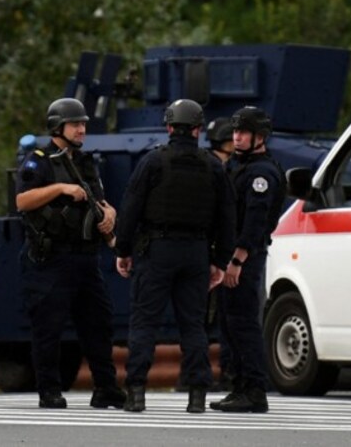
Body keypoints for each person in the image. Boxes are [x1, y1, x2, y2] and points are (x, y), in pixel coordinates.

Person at [115, 99, 235, 413]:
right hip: (196, 253)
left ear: (169, 127)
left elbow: (130, 208)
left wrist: (123, 250)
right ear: (198, 129)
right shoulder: (213, 165)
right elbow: (227, 218)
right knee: (193, 326)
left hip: (157, 251)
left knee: (144, 323)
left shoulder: (153, 161)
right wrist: (219, 261)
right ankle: (197, 395)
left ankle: (136, 392)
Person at [16, 97, 126, 409]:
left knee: (99, 324)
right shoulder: (38, 160)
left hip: (86, 258)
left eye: (83, 124)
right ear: (57, 126)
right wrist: (61, 189)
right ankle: (49, 390)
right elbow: (22, 201)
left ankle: (105, 387)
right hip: (52, 259)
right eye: (75, 124)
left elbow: (102, 201)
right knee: (48, 327)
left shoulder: (85, 162)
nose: (82, 129)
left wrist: (110, 215)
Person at [211, 106, 286, 413]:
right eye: (235, 132)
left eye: (243, 133)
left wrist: (237, 261)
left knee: (243, 323)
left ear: (260, 137)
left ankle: (255, 389)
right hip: (228, 256)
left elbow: (255, 225)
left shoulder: (261, 174)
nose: (236, 137)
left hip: (244, 259)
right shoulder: (238, 166)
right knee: (229, 323)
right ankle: (240, 385)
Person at [205, 116, 235, 391]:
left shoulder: (210, 166)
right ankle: (222, 373)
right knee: (217, 316)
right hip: (214, 253)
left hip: (210, 251)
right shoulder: (219, 171)